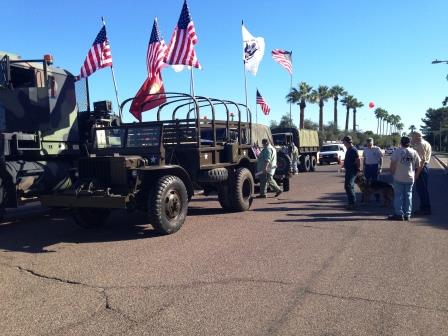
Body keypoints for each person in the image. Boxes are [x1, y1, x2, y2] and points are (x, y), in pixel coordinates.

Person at [388, 136, 422, 221]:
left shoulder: (397, 151)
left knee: (398, 196)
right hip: (410, 177)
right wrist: (416, 174)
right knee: (408, 195)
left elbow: (392, 164)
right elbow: (419, 165)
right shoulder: (414, 152)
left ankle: (399, 214)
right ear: (409, 143)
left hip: (399, 176)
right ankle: (407, 214)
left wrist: (392, 172)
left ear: (401, 142)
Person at [411, 131, 432, 215]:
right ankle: (424, 207)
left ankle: (425, 208)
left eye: (412, 136)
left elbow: (422, 161)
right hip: (424, 167)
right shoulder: (425, 143)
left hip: (421, 168)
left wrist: (417, 174)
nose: (411, 138)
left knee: (422, 189)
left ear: (417, 136)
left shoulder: (420, 145)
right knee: (423, 189)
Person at [342, 135, 361, 209]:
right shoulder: (349, 149)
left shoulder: (353, 149)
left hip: (352, 170)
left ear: (347, 142)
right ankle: (351, 203)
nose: (343, 143)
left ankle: (352, 203)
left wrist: (358, 168)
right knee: (348, 186)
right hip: (349, 170)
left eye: (344, 141)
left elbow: (358, 159)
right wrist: (344, 165)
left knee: (349, 186)